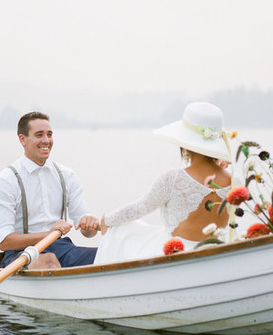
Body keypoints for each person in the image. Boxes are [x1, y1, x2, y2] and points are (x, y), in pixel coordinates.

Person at [95, 102, 233, 264]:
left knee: (121, 230)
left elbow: (139, 208)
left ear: (184, 143)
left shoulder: (174, 179)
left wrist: (106, 220)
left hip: (177, 251)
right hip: (217, 250)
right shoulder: (233, 179)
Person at [0, 111, 99, 269]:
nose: (46, 141)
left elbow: (88, 233)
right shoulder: (6, 180)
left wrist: (89, 224)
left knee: (111, 254)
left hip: (63, 249)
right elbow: (4, 241)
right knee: (48, 260)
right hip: (21, 253)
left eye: (49, 134)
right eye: (39, 135)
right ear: (22, 139)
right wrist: (48, 235)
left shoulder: (66, 175)